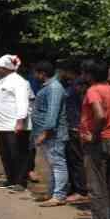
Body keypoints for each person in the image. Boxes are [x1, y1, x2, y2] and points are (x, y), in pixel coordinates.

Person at [80, 59, 110, 219]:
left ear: (89, 75)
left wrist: (94, 135)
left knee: (96, 185)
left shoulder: (93, 91)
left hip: (99, 142)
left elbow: (100, 115)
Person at [0, 55, 32, 191]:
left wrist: (19, 122)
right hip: (2, 125)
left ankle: (20, 181)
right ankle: (10, 178)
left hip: (15, 125)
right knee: (5, 153)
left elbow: (22, 103)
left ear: (4, 68)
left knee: (18, 153)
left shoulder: (19, 82)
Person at [30, 60, 70, 205]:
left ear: (43, 73)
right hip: (49, 133)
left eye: (36, 73)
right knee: (53, 164)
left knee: (58, 164)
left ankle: (59, 195)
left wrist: (45, 133)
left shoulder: (54, 88)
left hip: (54, 134)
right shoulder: (50, 87)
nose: (34, 76)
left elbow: (52, 112)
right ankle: (53, 193)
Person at [58, 59, 88, 203]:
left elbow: (84, 105)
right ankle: (75, 187)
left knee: (77, 159)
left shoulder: (78, 85)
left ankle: (81, 190)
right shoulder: (73, 84)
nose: (61, 74)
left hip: (76, 126)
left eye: (62, 71)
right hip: (72, 125)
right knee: (72, 158)